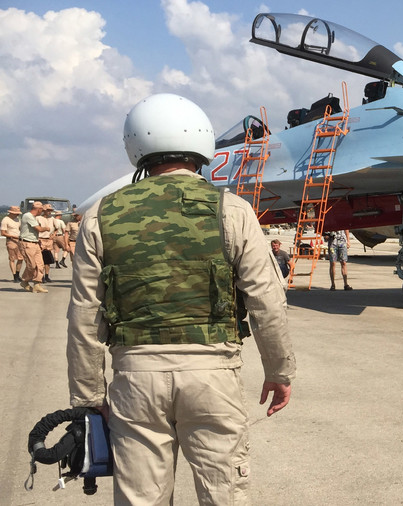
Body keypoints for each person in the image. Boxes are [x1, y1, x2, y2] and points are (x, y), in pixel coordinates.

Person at [67, 93, 296, 505]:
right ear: (202, 144)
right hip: (213, 376)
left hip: (134, 380)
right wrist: (279, 371)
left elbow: (84, 315)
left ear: (135, 146)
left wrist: (88, 399)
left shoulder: (101, 214)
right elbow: (266, 300)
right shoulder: (232, 209)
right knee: (223, 495)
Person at [18, 201, 49, 293]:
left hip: (35, 243)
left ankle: (37, 284)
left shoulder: (34, 217)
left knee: (40, 264)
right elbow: (38, 229)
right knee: (31, 265)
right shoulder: (28, 216)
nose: (42, 212)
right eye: (42, 210)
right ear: (38, 209)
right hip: (27, 243)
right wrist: (46, 228)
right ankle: (25, 281)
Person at [1, 205, 23, 281]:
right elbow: (3, 233)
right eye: (16, 213)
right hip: (11, 241)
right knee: (12, 259)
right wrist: (13, 236)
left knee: (21, 258)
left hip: (19, 240)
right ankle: (14, 276)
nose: (17, 214)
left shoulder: (18, 219)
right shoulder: (5, 220)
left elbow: (20, 229)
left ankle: (17, 274)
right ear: (11, 213)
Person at [37, 205, 53, 282]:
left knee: (48, 260)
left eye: (50, 210)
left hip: (49, 240)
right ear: (44, 210)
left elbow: (56, 228)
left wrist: (53, 234)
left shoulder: (52, 219)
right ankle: (41, 276)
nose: (50, 212)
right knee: (41, 260)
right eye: (48, 210)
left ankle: (47, 275)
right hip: (41, 239)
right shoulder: (38, 218)